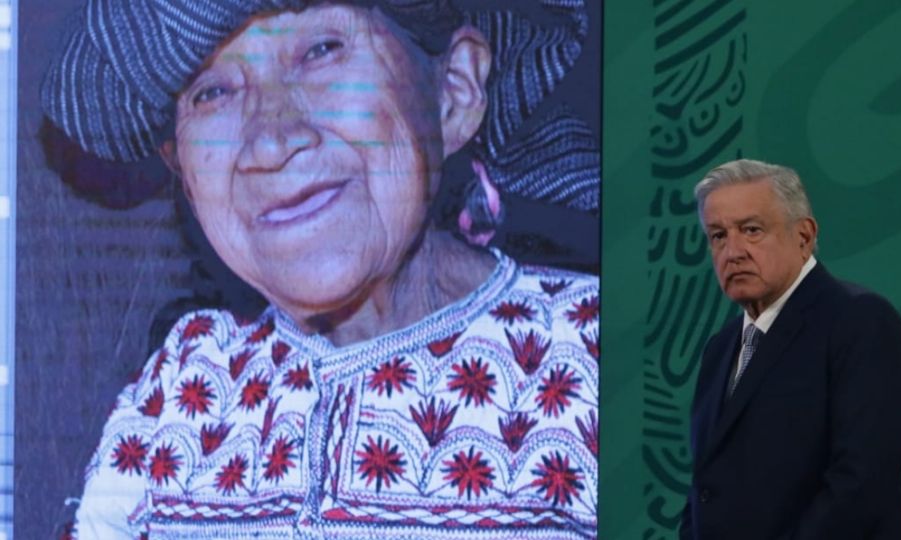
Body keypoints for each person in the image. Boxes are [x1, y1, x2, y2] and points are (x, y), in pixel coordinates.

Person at [41, 1, 599, 538]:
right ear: (183, 172)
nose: (272, 139)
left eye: (322, 50)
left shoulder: (597, 354)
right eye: (212, 92)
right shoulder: (183, 379)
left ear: (453, 91)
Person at [680, 159, 901, 539]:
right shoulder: (720, 348)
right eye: (718, 236)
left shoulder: (860, 321)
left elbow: (860, 483)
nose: (733, 251)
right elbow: (707, 487)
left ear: (804, 237)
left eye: (751, 230)